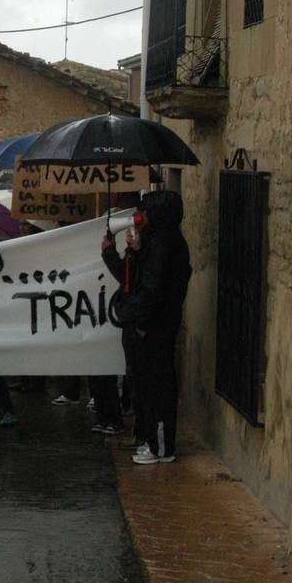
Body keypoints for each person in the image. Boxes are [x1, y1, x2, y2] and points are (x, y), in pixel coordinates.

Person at [102, 190, 192, 465]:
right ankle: (152, 441)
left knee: (157, 386)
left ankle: (161, 448)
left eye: (148, 211)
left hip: (154, 328)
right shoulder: (157, 243)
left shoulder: (165, 245)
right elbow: (135, 281)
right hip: (150, 327)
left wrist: (141, 324)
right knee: (147, 384)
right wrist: (133, 253)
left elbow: (153, 291)